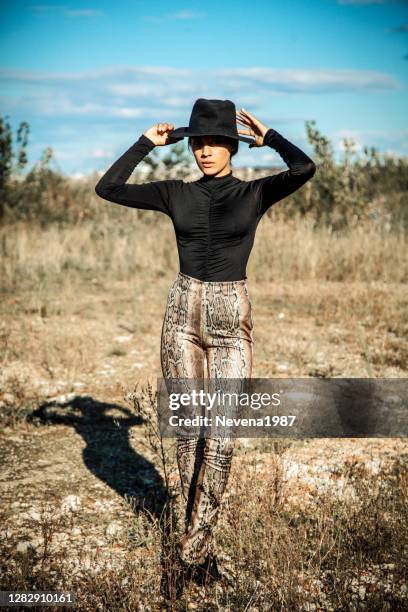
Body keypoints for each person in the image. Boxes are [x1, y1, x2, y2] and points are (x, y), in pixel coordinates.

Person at [95, 98, 316, 597]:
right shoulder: (175, 193)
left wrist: (272, 136)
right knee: (190, 434)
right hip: (181, 313)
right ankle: (195, 558)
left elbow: (305, 167)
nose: (205, 151)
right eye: (198, 142)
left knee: (223, 436)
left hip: (230, 316)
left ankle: (192, 551)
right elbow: (107, 188)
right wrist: (146, 144)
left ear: (233, 146)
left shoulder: (257, 193)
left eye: (215, 142)